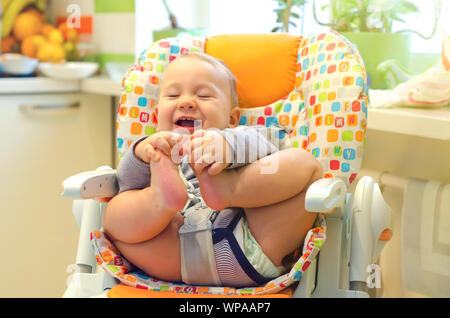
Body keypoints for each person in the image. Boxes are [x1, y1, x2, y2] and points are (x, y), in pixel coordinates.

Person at [102, 52, 323, 287]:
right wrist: (140, 152)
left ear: (232, 118)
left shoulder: (244, 135)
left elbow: (271, 156)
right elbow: (127, 181)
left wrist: (227, 149)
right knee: (115, 213)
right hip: (170, 249)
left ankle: (230, 188)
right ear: (157, 116)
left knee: (306, 165)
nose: (186, 102)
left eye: (204, 95)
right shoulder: (154, 151)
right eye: (173, 94)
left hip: (246, 242)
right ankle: (160, 200)